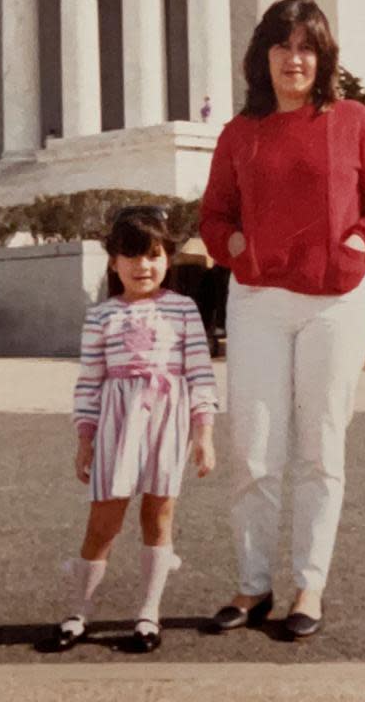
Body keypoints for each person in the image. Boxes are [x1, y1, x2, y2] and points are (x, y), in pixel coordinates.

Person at [200, 0, 365, 640]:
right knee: (252, 450)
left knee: (320, 447)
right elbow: (213, 216)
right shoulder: (240, 133)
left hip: (335, 304)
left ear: (322, 60)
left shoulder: (352, 122)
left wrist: (357, 242)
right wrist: (234, 247)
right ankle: (252, 583)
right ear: (261, 57)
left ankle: (307, 584)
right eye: (282, 46)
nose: (294, 59)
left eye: (306, 48)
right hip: (259, 302)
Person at [41, 207, 218, 655]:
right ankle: (79, 611)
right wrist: (85, 438)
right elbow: (90, 381)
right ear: (114, 263)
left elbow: (199, 372)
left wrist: (203, 432)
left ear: (168, 259)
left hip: (167, 422)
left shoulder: (183, 310)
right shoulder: (101, 316)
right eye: (132, 257)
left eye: (155, 255)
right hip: (117, 426)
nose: (144, 266)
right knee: (104, 521)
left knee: (158, 516)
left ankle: (148, 614)